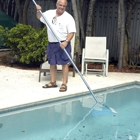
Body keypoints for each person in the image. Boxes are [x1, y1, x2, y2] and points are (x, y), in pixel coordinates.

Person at [36, 0, 76, 92]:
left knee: (64, 64)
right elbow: (40, 17)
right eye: (60, 5)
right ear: (57, 4)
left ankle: (64, 84)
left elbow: (71, 32)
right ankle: (53, 82)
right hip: (52, 43)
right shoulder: (49, 13)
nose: (62, 7)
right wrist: (38, 11)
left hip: (63, 43)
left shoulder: (68, 18)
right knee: (52, 63)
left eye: (64, 6)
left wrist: (66, 42)